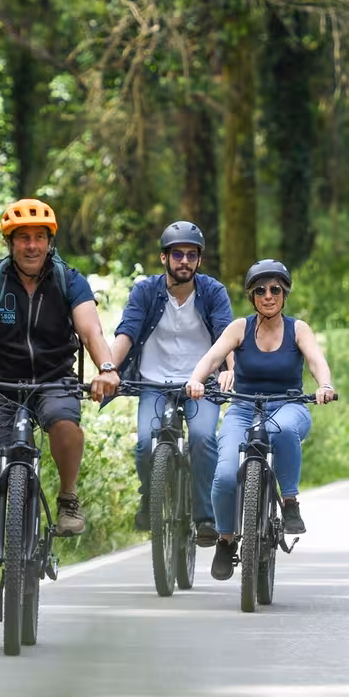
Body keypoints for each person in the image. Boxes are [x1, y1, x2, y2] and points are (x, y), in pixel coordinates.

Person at [0, 198, 120, 623]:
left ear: (49, 242)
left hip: (54, 380)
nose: (31, 246)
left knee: (65, 423)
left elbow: (91, 329)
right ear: (11, 243)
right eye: (23, 239)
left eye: (38, 238)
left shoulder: (70, 280)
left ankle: (68, 498)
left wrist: (106, 368)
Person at [185, 259, 338, 583]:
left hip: (289, 405)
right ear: (252, 296)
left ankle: (290, 500)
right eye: (260, 290)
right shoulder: (240, 328)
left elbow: (316, 361)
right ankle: (226, 540)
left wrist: (324, 386)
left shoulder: (298, 329)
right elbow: (213, 357)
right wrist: (196, 380)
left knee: (280, 431)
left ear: (284, 294)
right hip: (242, 407)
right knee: (224, 476)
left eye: (275, 290)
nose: (268, 295)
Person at [107, 221, 234, 544]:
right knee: (145, 443)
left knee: (204, 439)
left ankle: (205, 515)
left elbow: (226, 335)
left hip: (201, 384)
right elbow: (128, 332)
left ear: (199, 261)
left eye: (192, 255)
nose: (184, 261)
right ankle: (150, 500)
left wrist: (229, 369)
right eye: (177, 254)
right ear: (164, 258)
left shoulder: (213, 292)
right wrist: (107, 369)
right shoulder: (146, 291)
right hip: (154, 383)